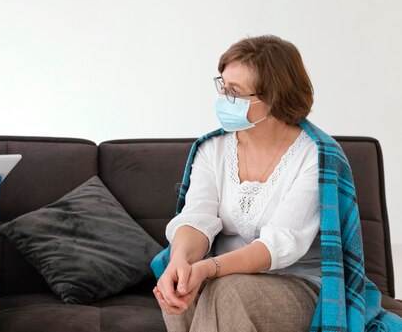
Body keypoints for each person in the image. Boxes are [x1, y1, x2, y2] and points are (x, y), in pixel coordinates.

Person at [152, 35, 402, 332]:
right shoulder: (212, 149)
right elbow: (197, 218)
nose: (222, 100)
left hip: (299, 283)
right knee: (182, 287)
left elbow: (279, 245)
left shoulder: (316, 156)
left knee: (228, 293)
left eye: (235, 92)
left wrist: (207, 268)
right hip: (224, 277)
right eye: (222, 86)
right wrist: (180, 261)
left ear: (273, 99)